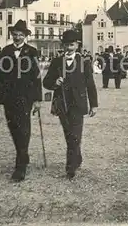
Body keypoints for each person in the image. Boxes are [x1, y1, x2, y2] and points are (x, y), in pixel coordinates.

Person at [0, 20, 42, 182]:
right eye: (15, 35)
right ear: (11, 35)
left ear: (25, 36)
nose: (17, 37)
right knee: (13, 127)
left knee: (23, 129)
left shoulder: (32, 52)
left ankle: (20, 167)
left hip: (25, 97)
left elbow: (36, 78)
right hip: (9, 97)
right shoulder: (5, 51)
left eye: (20, 35)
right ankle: (23, 155)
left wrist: (37, 100)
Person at [42, 30, 98, 179]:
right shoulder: (56, 62)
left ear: (77, 45)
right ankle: (77, 158)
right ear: (63, 45)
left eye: (71, 45)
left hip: (78, 104)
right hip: (62, 103)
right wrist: (55, 82)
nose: (69, 48)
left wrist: (94, 105)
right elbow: (46, 82)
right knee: (69, 135)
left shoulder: (84, 62)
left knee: (75, 136)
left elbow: (90, 84)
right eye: (66, 45)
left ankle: (70, 168)